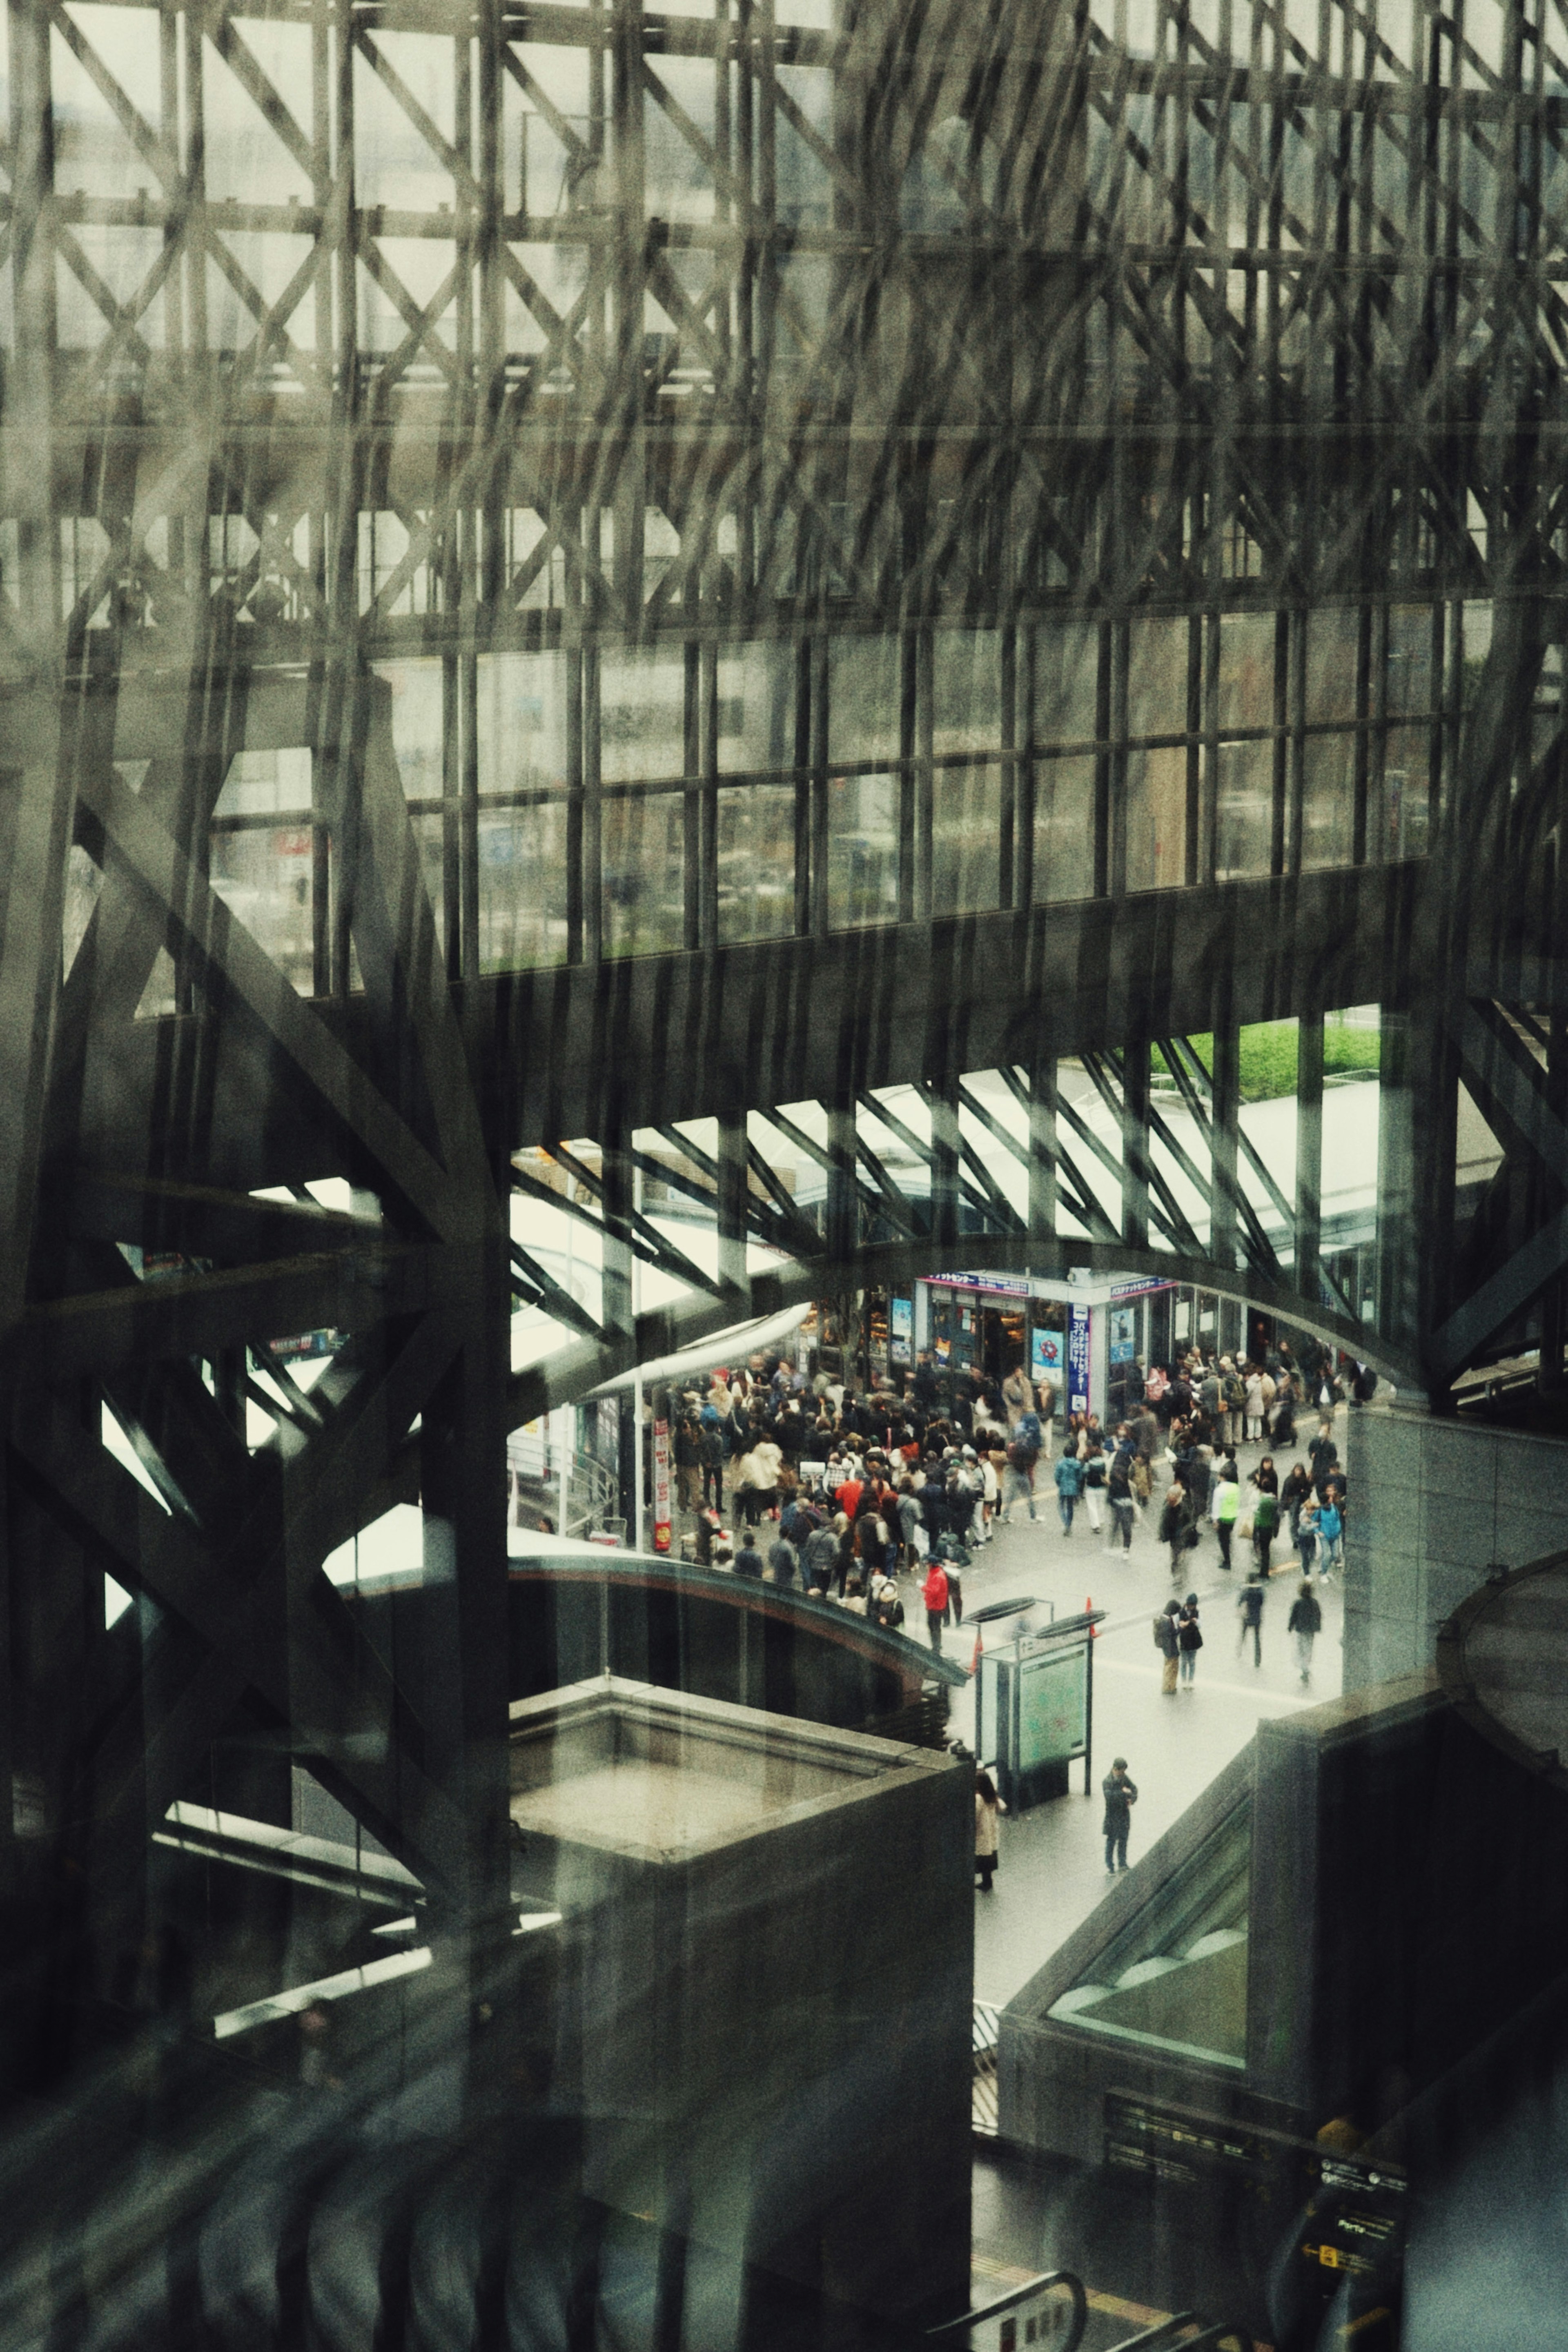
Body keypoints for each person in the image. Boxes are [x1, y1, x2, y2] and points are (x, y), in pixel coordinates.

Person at [1102, 1757, 1138, 1873]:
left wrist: (1132, 1799)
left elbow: (1134, 1788)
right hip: (1112, 1817)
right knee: (1112, 1841)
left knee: (1124, 1838)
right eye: (1121, 1771)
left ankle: (1122, 1863)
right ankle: (1110, 1866)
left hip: (1124, 1815)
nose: (1123, 1774)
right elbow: (1110, 1797)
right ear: (1116, 1769)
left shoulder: (1124, 1778)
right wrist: (1125, 1795)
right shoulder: (1107, 1782)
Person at [975, 1770, 1006, 1891]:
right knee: (988, 1856)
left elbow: (975, 1814)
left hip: (981, 1831)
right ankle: (988, 1882)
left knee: (982, 1857)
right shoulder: (991, 1794)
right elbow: (1002, 1807)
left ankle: (986, 1884)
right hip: (990, 1829)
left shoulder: (979, 1798)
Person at [1288, 1579, 1323, 1684]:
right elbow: (1318, 1615)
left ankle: (1304, 1668)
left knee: (1300, 1649)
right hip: (1310, 1630)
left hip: (1300, 1629)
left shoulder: (1298, 1603)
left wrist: (1290, 1626)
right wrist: (1318, 1627)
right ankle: (1306, 1666)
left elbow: (1293, 1616)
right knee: (1308, 1649)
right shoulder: (1314, 1603)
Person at [1212, 1458, 1240, 1569]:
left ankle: (1227, 1561)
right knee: (1227, 1537)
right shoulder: (1236, 1488)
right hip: (1232, 1517)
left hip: (1223, 1518)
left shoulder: (1219, 1490)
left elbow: (1216, 1505)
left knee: (1223, 1540)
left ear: (1223, 1477)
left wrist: (1215, 1520)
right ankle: (1227, 1557)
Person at [1106, 1448, 1136, 1552]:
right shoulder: (1128, 1472)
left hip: (1117, 1503)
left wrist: (1110, 1501)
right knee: (1127, 1526)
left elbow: (1111, 1491)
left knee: (1115, 1523)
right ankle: (1126, 1548)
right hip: (1127, 1503)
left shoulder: (1113, 1474)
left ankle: (1112, 1543)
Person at [1054, 1444, 1085, 1535]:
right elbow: (1080, 1477)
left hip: (1063, 1487)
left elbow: (1057, 1476)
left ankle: (1066, 1523)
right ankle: (1069, 1524)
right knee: (1070, 1506)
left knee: (1061, 1506)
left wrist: (1059, 1484)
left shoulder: (1060, 1463)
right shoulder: (1077, 1464)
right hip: (1073, 1487)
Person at [1236, 1571, 1265, 1666]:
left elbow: (1240, 1602)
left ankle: (1240, 1652)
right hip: (1257, 1617)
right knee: (1257, 1638)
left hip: (1247, 1616)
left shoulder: (1246, 1590)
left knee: (1243, 1634)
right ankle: (1258, 1659)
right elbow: (1262, 1602)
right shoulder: (1260, 1590)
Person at [1154, 1597, 1181, 1693]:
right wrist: (1180, 1628)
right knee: (1171, 1668)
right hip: (1171, 1648)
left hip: (1167, 1648)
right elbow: (1172, 1634)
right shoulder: (1167, 1622)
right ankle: (1169, 1688)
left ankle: (1169, 1687)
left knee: (1168, 1667)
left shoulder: (1163, 1618)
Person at [922, 1557, 949, 1653]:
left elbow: (934, 1591)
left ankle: (936, 1646)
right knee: (934, 1626)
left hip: (936, 1606)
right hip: (933, 1604)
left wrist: (923, 1587)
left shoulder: (938, 1576)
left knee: (934, 1626)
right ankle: (937, 1645)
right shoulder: (934, 1573)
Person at [1081, 1438, 1108, 1535]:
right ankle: (1101, 1521)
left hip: (1091, 1487)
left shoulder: (1089, 1464)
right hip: (1102, 1487)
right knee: (1101, 1505)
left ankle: (1095, 1525)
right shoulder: (1104, 1462)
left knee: (1092, 1507)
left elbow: (1083, 1473)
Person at [1177, 1592, 1203, 1686]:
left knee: (1192, 1661)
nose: (1191, 1607)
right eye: (1190, 1605)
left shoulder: (1198, 1613)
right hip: (1184, 1640)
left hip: (1193, 1640)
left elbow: (1201, 1625)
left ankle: (1191, 1680)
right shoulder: (1181, 1612)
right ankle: (1184, 1680)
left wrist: (1196, 1622)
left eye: (1193, 1606)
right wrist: (1188, 1623)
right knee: (1184, 1661)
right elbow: (1178, 1624)